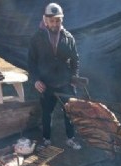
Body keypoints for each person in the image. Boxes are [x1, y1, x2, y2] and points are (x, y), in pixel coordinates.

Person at [28, 2, 82, 150]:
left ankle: (71, 138)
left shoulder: (68, 37)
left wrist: (74, 77)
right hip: (46, 84)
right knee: (47, 114)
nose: (55, 23)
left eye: (57, 20)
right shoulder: (37, 38)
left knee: (70, 112)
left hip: (65, 83)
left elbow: (75, 59)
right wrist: (36, 80)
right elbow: (31, 62)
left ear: (61, 20)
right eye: (52, 20)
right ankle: (46, 139)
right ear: (45, 20)